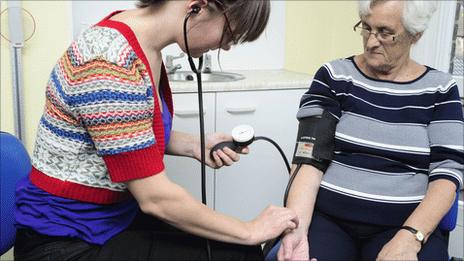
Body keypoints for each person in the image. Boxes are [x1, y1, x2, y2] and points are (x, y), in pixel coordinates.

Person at [13, 1, 299, 260]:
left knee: (235, 248)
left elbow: (126, 134)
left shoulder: (142, 45)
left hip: (111, 220)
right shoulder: (107, 62)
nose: (226, 47)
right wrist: (250, 229)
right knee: (241, 252)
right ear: (197, 6)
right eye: (229, 34)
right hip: (64, 241)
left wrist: (195, 145)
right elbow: (156, 199)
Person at [277, 1, 464, 260]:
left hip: (403, 224)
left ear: (415, 35)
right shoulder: (334, 76)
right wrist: (296, 229)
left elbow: (447, 173)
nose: (371, 41)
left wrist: (411, 237)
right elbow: (308, 158)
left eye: (385, 32)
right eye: (366, 28)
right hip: (330, 221)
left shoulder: (440, 90)